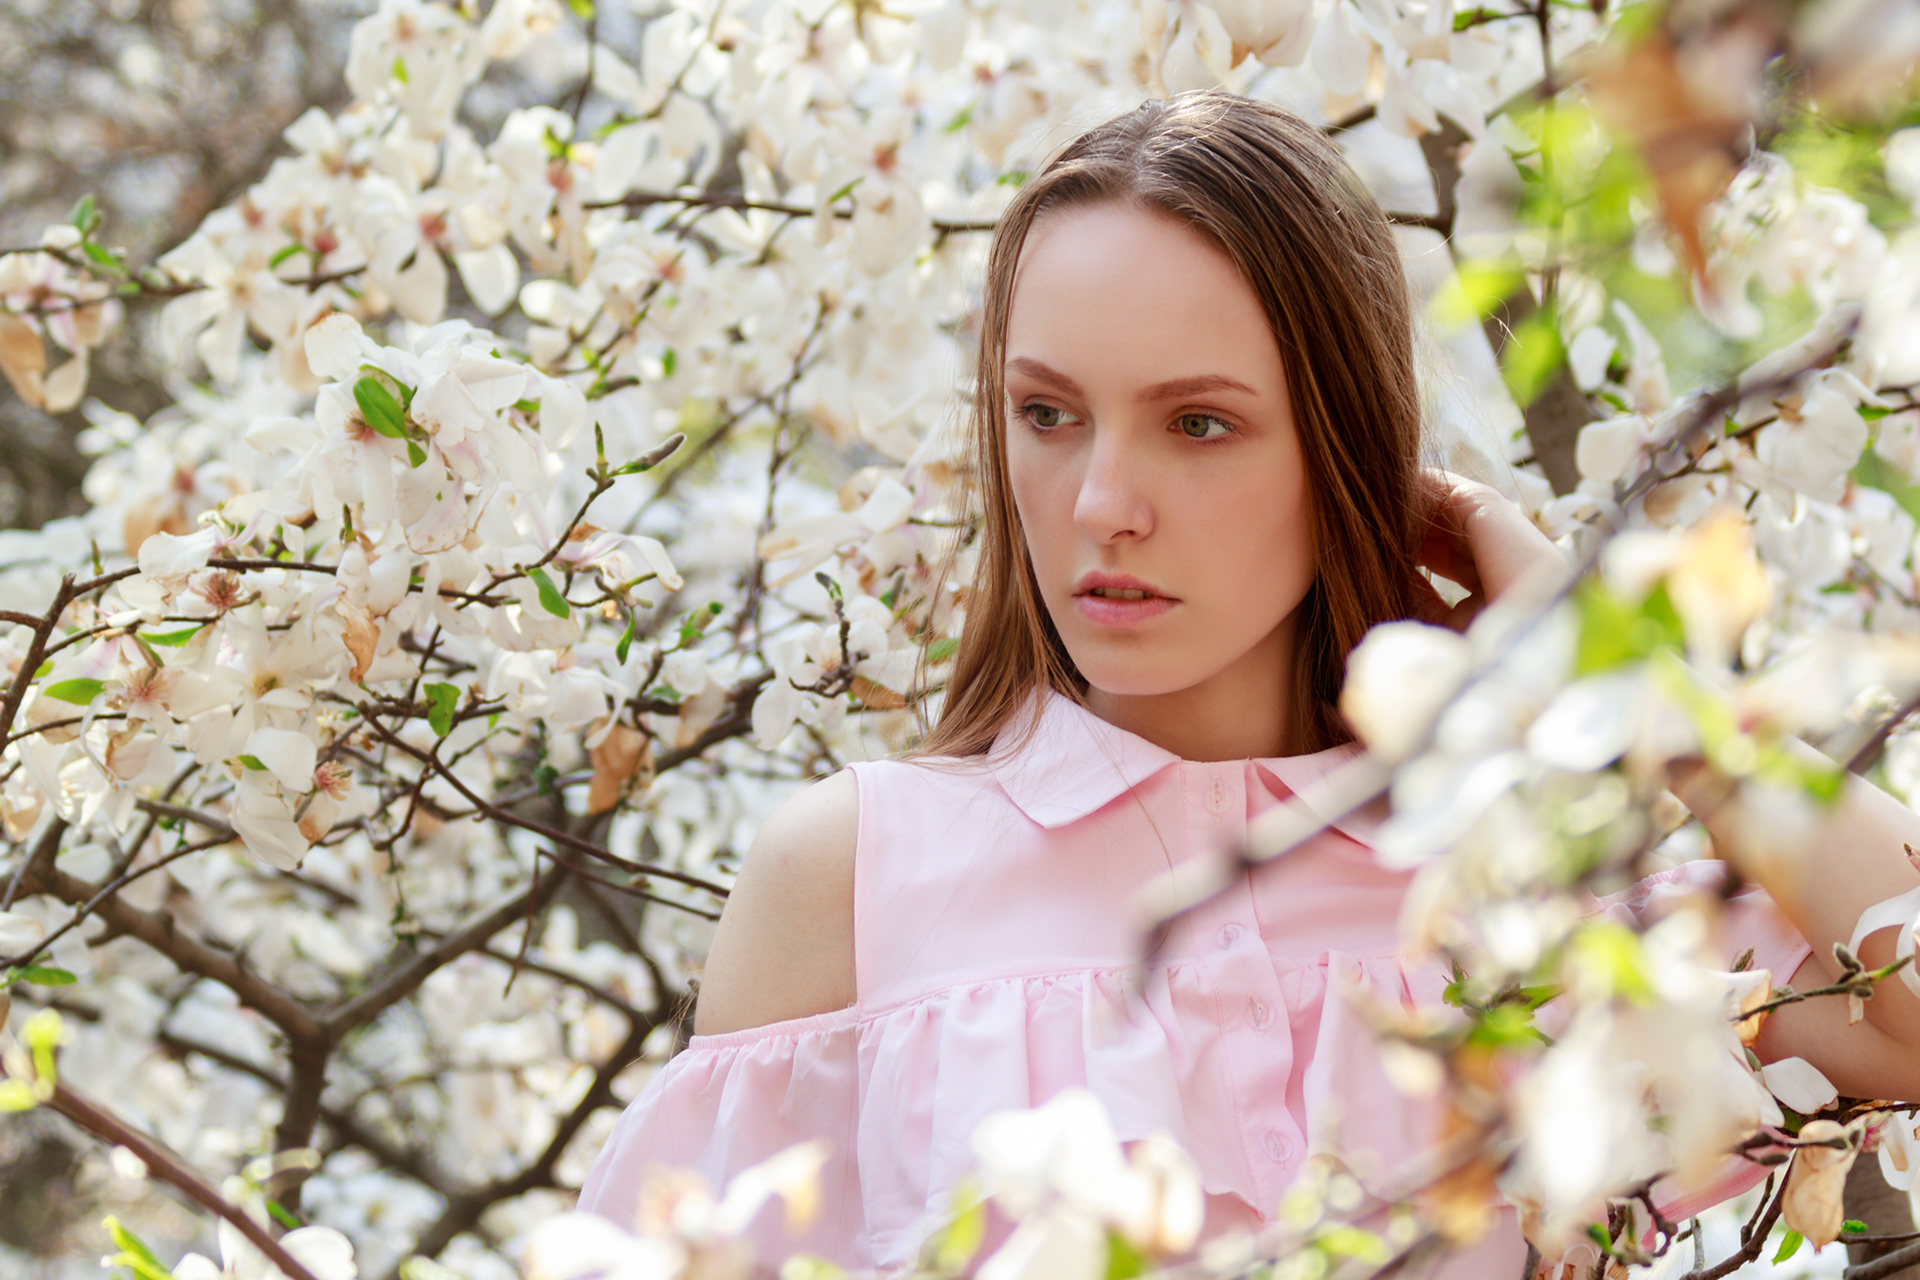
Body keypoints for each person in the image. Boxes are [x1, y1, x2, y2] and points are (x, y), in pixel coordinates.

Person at [578, 91, 1920, 1276]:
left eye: (1199, 423)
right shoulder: (853, 877)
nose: (1102, 503)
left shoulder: (1523, 887)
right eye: (1047, 414)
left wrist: (1625, 683)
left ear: (1343, 448)